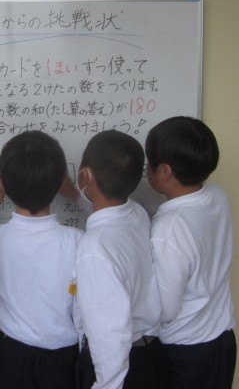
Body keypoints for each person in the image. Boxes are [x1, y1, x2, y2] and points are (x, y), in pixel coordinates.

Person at [0, 130, 82, 389]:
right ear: (60, 182)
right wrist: (76, 195)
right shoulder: (79, 242)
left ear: (5, 184)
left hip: (7, 358)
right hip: (62, 362)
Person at [145, 116, 236, 389]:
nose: (145, 169)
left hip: (186, 352)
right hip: (222, 338)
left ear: (165, 171)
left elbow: (167, 310)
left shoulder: (169, 228)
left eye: (149, 163)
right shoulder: (216, 195)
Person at [72, 130, 164, 389]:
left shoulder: (94, 249)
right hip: (149, 353)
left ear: (85, 176)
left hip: (119, 369)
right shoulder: (136, 213)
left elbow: (109, 335)